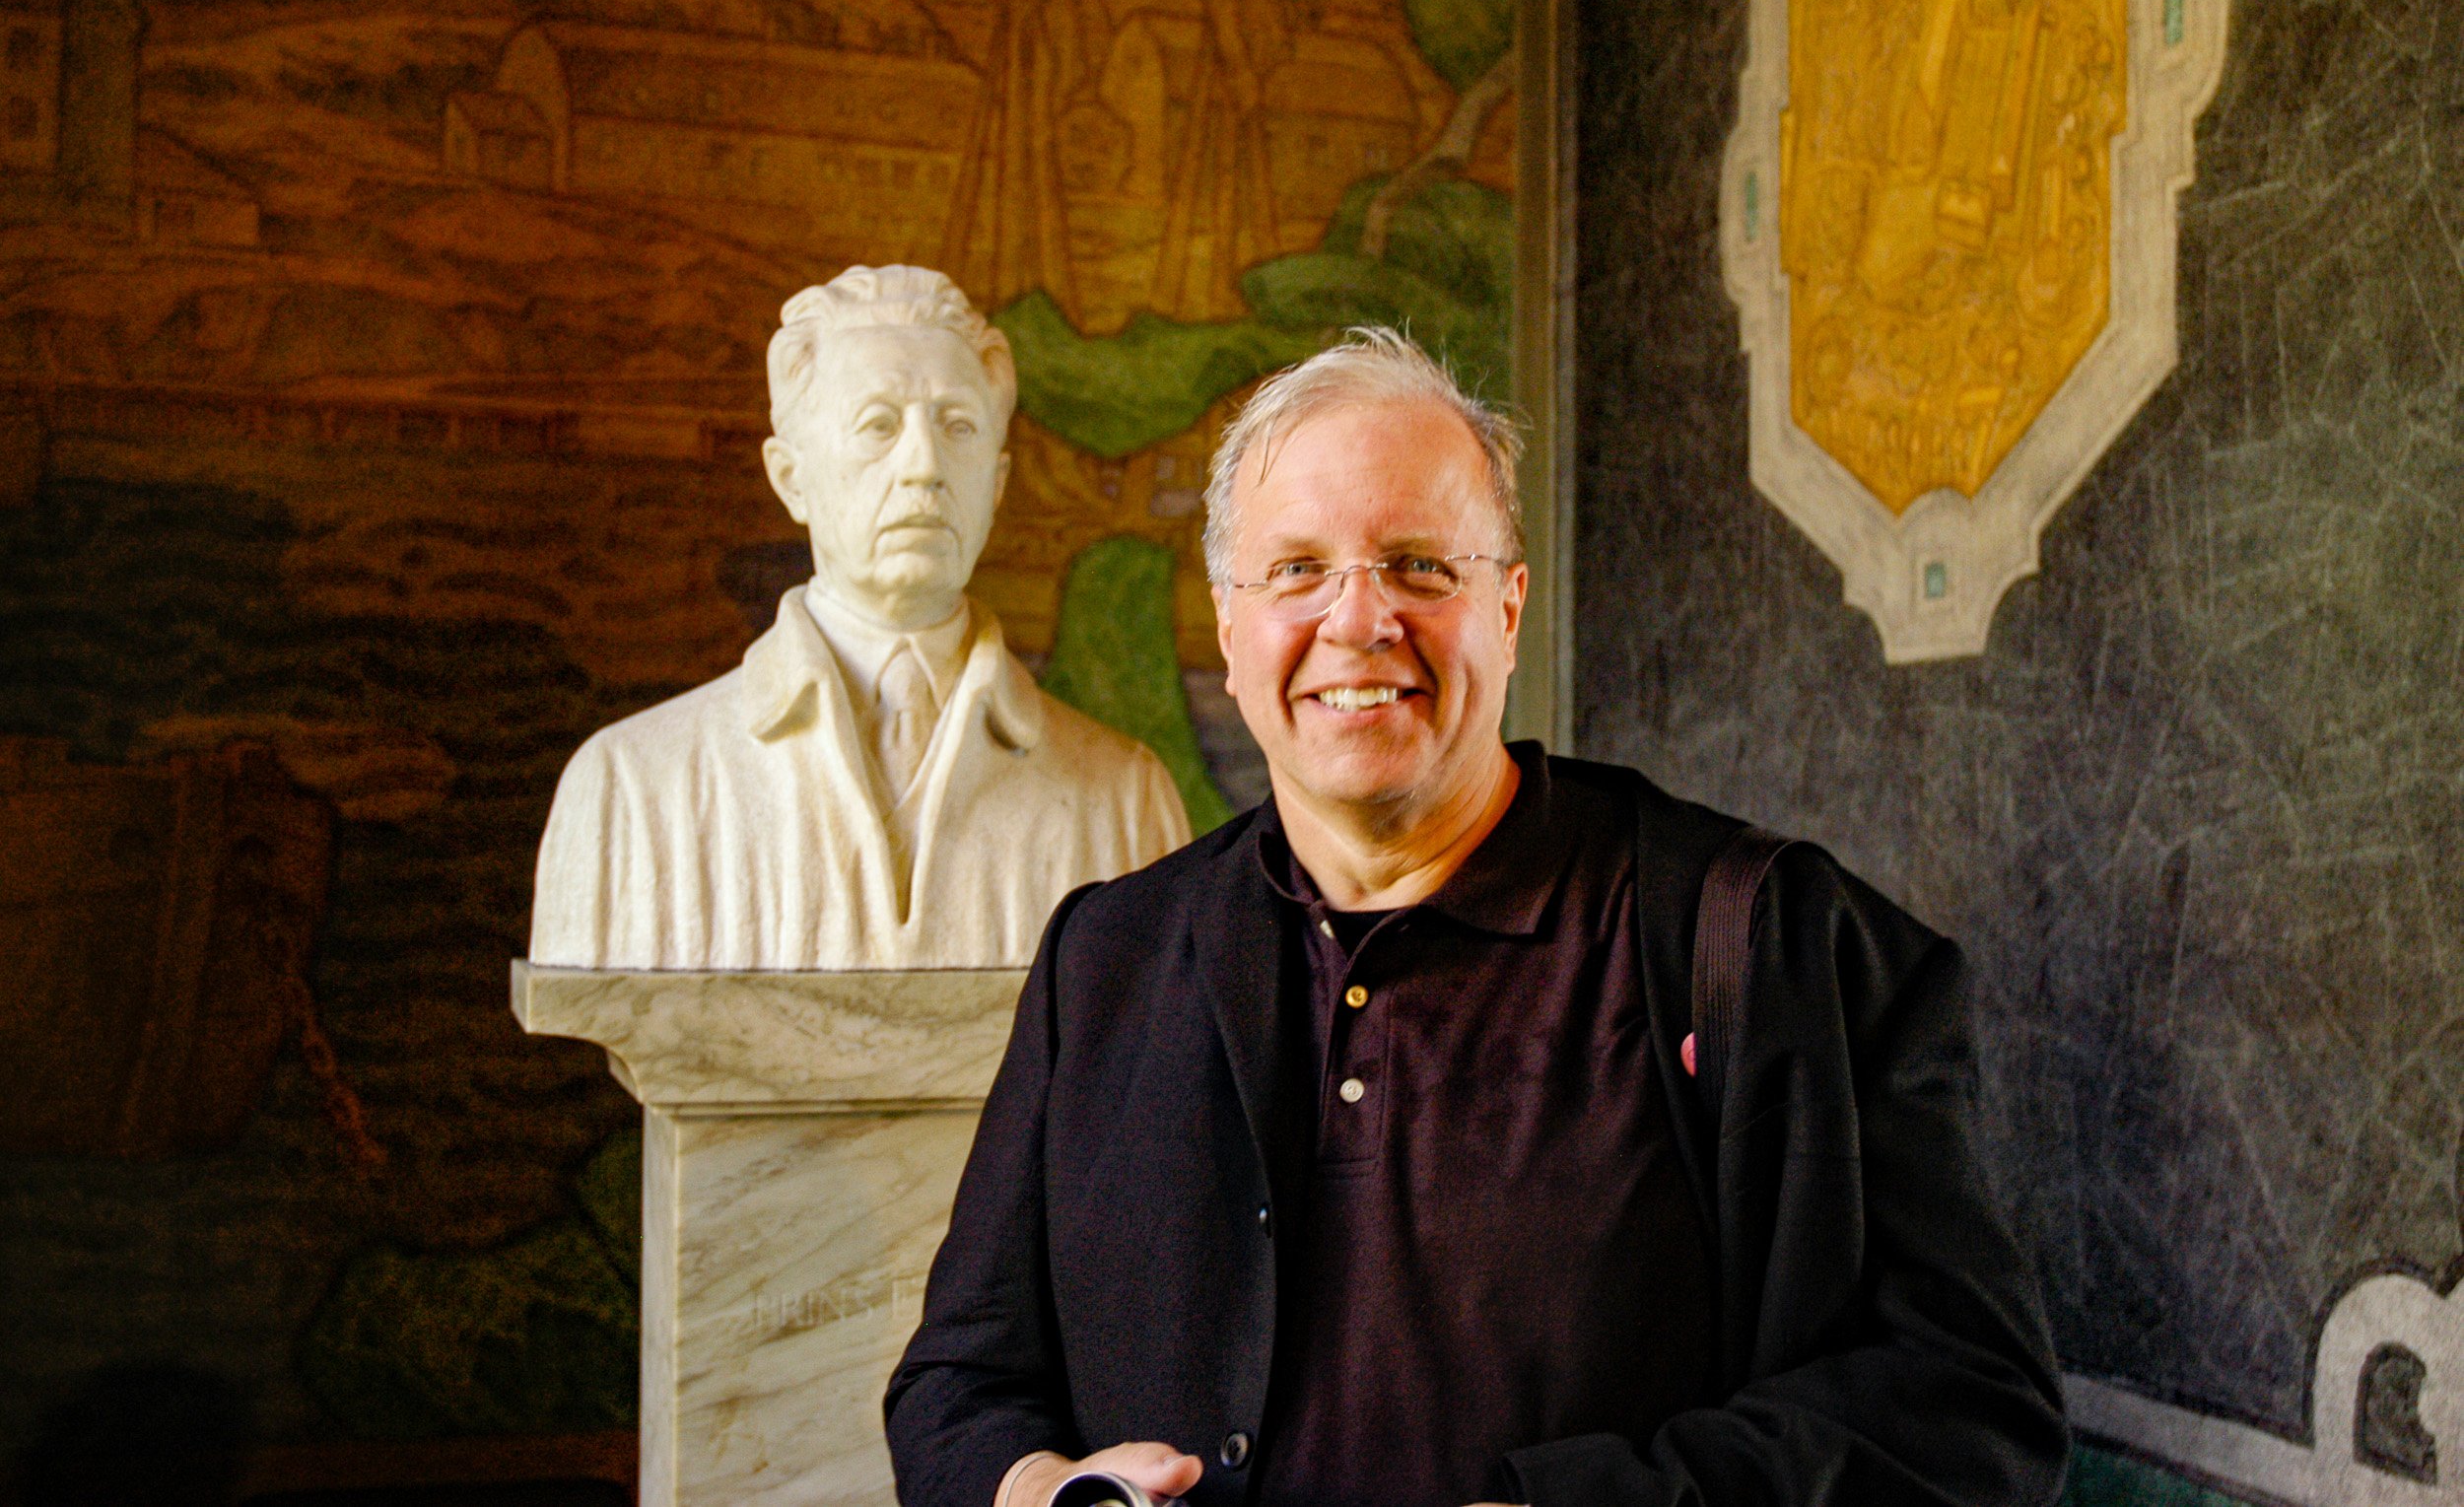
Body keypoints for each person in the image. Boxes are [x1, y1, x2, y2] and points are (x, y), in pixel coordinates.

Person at [884, 329, 2067, 1504]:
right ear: (1230, 633)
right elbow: (957, 1383)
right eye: (1295, 569)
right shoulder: (1106, 957)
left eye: (1418, 564)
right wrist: (1041, 1490)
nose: (1357, 620)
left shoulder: (1760, 940)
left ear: (1507, 609)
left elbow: (1971, 1408)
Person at [529, 265, 1188, 972]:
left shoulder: (1128, 803)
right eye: (877, 424)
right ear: (790, 478)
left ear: (995, 485)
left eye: (958, 425)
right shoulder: (627, 792)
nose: (924, 465)